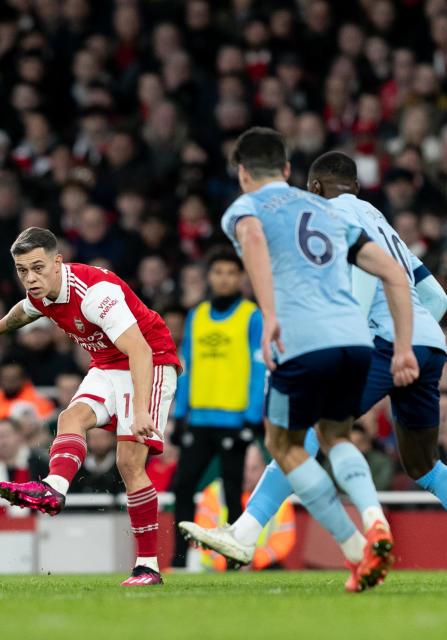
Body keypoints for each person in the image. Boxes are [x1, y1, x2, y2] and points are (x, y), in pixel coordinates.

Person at [187, 149, 447, 588]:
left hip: (386, 345)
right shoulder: (382, 221)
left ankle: (245, 533)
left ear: (313, 188)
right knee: (425, 465)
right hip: (428, 344)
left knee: (304, 431)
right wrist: (411, 340)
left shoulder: (329, 217)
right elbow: (438, 298)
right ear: (357, 186)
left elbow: (366, 281)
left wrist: (374, 342)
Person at [179, 129, 419, 593]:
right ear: (288, 170)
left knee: (283, 444)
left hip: (303, 341)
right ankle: (375, 520)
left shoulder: (244, 209)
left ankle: (353, 549)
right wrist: (404, 346)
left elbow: (251, 238)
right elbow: (392, 271)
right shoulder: (326, 210)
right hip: (355, 342)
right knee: (335, 434)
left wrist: (268, 315)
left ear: (243, 173)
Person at [0, 226, 181, 586]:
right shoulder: (41, 294)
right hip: (107, 365)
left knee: (128, 463)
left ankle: (148, 566)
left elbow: (140, 350)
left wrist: (142, 410)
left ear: (58, 262)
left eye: (38, 268)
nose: (30, 278)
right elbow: (25, 310)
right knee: (71, 417)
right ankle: (54, 488)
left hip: (150, 361)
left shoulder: (95, 294)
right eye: (22, 271)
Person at [170, 247, 265, 568]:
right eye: (218, 272)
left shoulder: (251, 315)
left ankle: (236, 560)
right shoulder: (197, 315)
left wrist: (253, 417)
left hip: (235, 420)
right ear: (209, 277)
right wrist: (180, 414)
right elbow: (188, 366)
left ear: (240, 278)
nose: (223, 278)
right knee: (182, 486)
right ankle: (180, 559)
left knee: (233, 490)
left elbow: (259, 369)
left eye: (230, 273)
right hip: (199, 419)